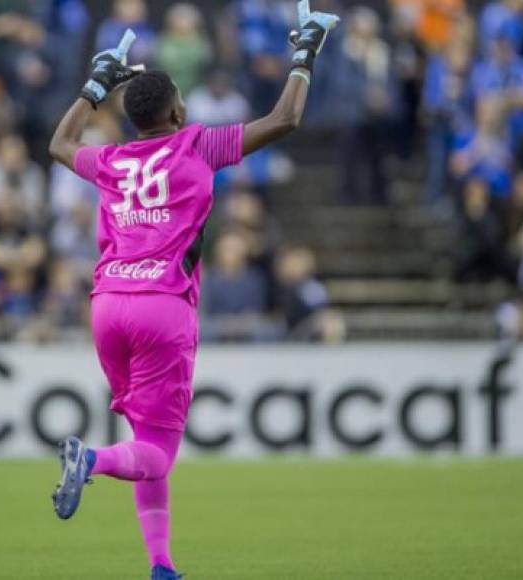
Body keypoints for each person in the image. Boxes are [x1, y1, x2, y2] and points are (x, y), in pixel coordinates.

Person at [48, 6, 340, 580]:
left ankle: (161, 565)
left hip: (107, 303)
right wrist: (304, 55)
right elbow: (284, 119)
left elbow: (60, 144)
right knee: (154, 451)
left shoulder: (111, 159)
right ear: (178, 111)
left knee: (147, 441)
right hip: (163, 305)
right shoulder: (197, 146)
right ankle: (92, 460)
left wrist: (94, 85)